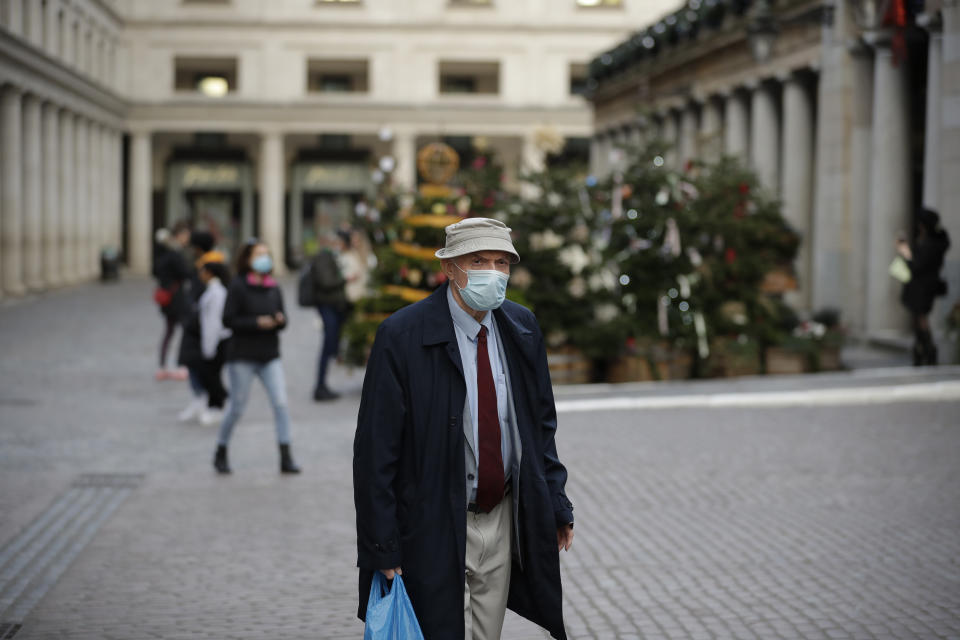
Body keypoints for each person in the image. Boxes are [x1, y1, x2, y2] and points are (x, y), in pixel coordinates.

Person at [353, 218, 574, 640]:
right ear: (449, 268)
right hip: (433, 517)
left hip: (502, 514)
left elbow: (540, 428)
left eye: (501, 262)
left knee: (486, 635)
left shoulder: (521, 328)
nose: (492, 272)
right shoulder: (401, 336)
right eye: (478, 260)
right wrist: (382, 545)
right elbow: (375, 452)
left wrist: (557, 503)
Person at [213, 240, 301, 475]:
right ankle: (221, 450)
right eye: (259, 254)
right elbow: (228, 319)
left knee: (281, 404)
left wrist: (279, 321)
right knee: (237, 408)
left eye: (266, 254)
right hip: (242, 356)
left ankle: (286, 456)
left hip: (269, 355)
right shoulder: (238, 286)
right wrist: (256, 322)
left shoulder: (273, 287)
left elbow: (284, 320)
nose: (264, 258)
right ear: (248, 259)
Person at [176, 231, 225, 423]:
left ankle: (210, 401)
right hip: (196, 325)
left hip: (203, 327)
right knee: (194, 363)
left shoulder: (210, 266)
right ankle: (200, 399)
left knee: (204, 365)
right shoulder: (205, 264)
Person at [897, 207, 951, 366]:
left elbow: (917, 266)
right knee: (919, 318)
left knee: (921, 318)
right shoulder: (929, 241)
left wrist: (905, 253)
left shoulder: (931, 244)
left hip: (923, 288)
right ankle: (922, 350)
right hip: (921, 287)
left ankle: (928, 351)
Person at [311, 231, 351, 401]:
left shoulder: (331, 257)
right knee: (327, 346)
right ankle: (320, 386)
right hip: (327, 305)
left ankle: (322, 385)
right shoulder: (323, 258)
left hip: (334, 306)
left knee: (331, 345)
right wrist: (345, 280)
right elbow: (326, 282)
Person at [151, 223, 191, 381]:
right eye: (186, 235)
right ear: (179, 235)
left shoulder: (162, 252)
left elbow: (155, 271)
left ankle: (162, 366)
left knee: (169, 332)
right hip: (177, 299)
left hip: (167, 299)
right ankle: (181, 365)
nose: (187, 239)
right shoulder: (175, 254)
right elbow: (185, 273)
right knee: (184, 331)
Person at [197, 260, 232, 426]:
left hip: (217, 339)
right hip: (216, 339)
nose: (200, 275)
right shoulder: (214, 290)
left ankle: (218, 404)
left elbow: (214, 321)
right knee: (212, 374)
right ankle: (217, 403)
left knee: (211, 375)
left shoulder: (217, 292)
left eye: (203, 271)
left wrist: (209, 346)